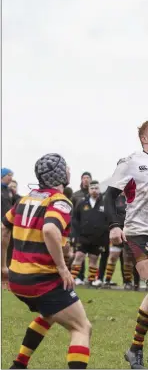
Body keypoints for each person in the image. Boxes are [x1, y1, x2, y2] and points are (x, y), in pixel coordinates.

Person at [1, 153, 92, 370]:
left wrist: (2, 266)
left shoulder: (25, 199)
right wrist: (63, 268)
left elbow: (4, 229)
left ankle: (19, 365)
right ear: (61, 174)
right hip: (42, 280)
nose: (70, 170)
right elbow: (50, 229)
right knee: (82, 327)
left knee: (49, 314)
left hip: (17, 278)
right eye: (66, 167)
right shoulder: (59, 201)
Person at [104, 121, 148, 369]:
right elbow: (109, 196)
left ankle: (134, 349)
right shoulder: (131, 161)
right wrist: (113, 225)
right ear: (143, 138)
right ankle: (135, 350)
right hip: (138, 233)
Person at [71, 180, 109, 285]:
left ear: (99, 189)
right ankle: (73, 278)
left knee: (93, 259)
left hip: (98, 238)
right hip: (83, 237)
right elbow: (75, 219)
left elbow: (109, 220)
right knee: (78, 256)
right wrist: (75, 234)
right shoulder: (82, 202)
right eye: (92, 188)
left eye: (96, 188)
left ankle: (91, 280)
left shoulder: (104, 203)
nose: (94, 191)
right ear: (89, 189)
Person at [104, 191, 133, 289]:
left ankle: (128, 282)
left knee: (127, 259)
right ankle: (107, 280)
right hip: (117, 232)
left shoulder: (133, 199)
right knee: (112, 257)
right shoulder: (114, 199)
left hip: (129, 233)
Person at [71, 172, 92, 285]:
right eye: (84, 178)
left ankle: (92, 279)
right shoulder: (76, 195)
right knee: (79, 254)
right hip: (79, 231)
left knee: (93, 256)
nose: (86, 180)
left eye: (88, 178)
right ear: (81, 180)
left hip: (92, 231)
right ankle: (79, 276)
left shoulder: (95, 195)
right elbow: (73, 215)